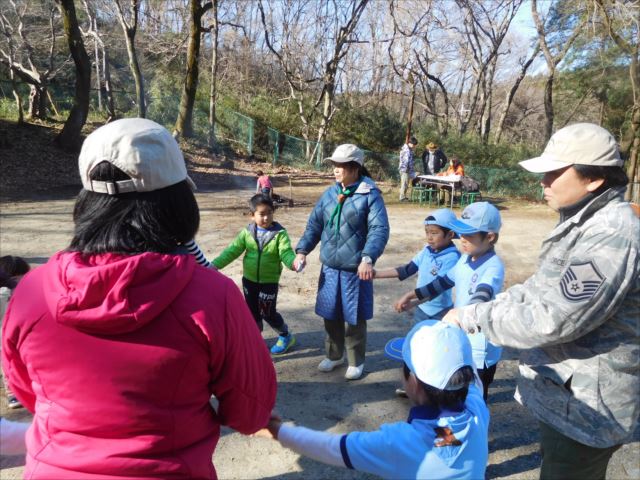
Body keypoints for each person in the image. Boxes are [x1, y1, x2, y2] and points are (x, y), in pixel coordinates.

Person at [1, 118, 277, 479]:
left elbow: (27, 392)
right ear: (178, 202)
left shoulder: (31, 293)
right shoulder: (213, 296)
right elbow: (250, 411)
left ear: (86, 202)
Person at [443, 123, 640, 479]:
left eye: (554, 173)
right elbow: (540, 287)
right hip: (569, 396)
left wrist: (474, 318)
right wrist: (478, 310)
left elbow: (552, 318)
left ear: (593, 179)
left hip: (588, 408)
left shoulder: (610, 236)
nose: (543, 182)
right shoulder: (584, 221)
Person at [256, 321, 489, 480]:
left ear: (414, 382)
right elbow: (472, 377)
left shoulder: (402, 443)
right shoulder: (477, 409)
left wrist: (276, 430)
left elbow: (330, 448)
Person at [295, 144, 389, 380]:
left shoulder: (370, 195)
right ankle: (334, 355)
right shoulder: (329, 193)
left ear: (355, 168)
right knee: (330, 314)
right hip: (330, 267)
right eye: (334, 165)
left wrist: (368, 258)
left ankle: (356, 360)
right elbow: (315, 224)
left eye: (340, 165)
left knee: (354, 317)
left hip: (355, 269)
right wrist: (302, 249)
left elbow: (379, 229)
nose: (335, 170)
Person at [396, 202, 505, 402]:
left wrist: (460, 315)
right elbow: (441, 283)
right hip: (462, 339)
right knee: (457, 397)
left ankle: (474, 431)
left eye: (469, 235)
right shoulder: (465, 259)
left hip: (481, 347)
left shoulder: (493, 267)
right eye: (460, 233)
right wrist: (412, 297)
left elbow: (482, 296)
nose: (461, 239)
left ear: (489, 237)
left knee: (476, 399)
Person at [212, 193, 297, 355]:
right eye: (261, 214)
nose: (266, 217)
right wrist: (215, 265)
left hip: (269, 281)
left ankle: (285, 335)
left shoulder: (280, 234)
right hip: (249, 281)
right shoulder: (247, 233)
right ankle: (255, 338)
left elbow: (285, 253)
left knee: (267, 312)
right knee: (252, 312)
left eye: (269, 213)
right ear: (252, 215)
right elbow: (232, 250)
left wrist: (293, 263)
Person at [373, 209, 460, 323]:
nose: (429, 237)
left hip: (440, 313)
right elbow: (408, 269)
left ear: (450, 234)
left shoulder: (452, 257)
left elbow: (436, 288)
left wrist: (412, 300)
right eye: (427, 232)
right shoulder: (427, 250)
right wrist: (376, 274)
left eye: (434, 233)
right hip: (421, 309)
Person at [0, 255, 30, 410]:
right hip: (5, 337)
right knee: (9, 363)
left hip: (22, 334)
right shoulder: (4, 294)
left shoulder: (28, 289)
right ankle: (13, 392)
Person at [398, 137, 418, 202]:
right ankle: (402, 198)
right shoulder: (406, 151)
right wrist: (410, 171)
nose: (414, 146)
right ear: (410, 143)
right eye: (414, 145)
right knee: (404, 183)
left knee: (405, 183)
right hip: (405, 170)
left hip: (406, 170)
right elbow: (406, 162)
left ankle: (403, 196)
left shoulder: (408, 150)